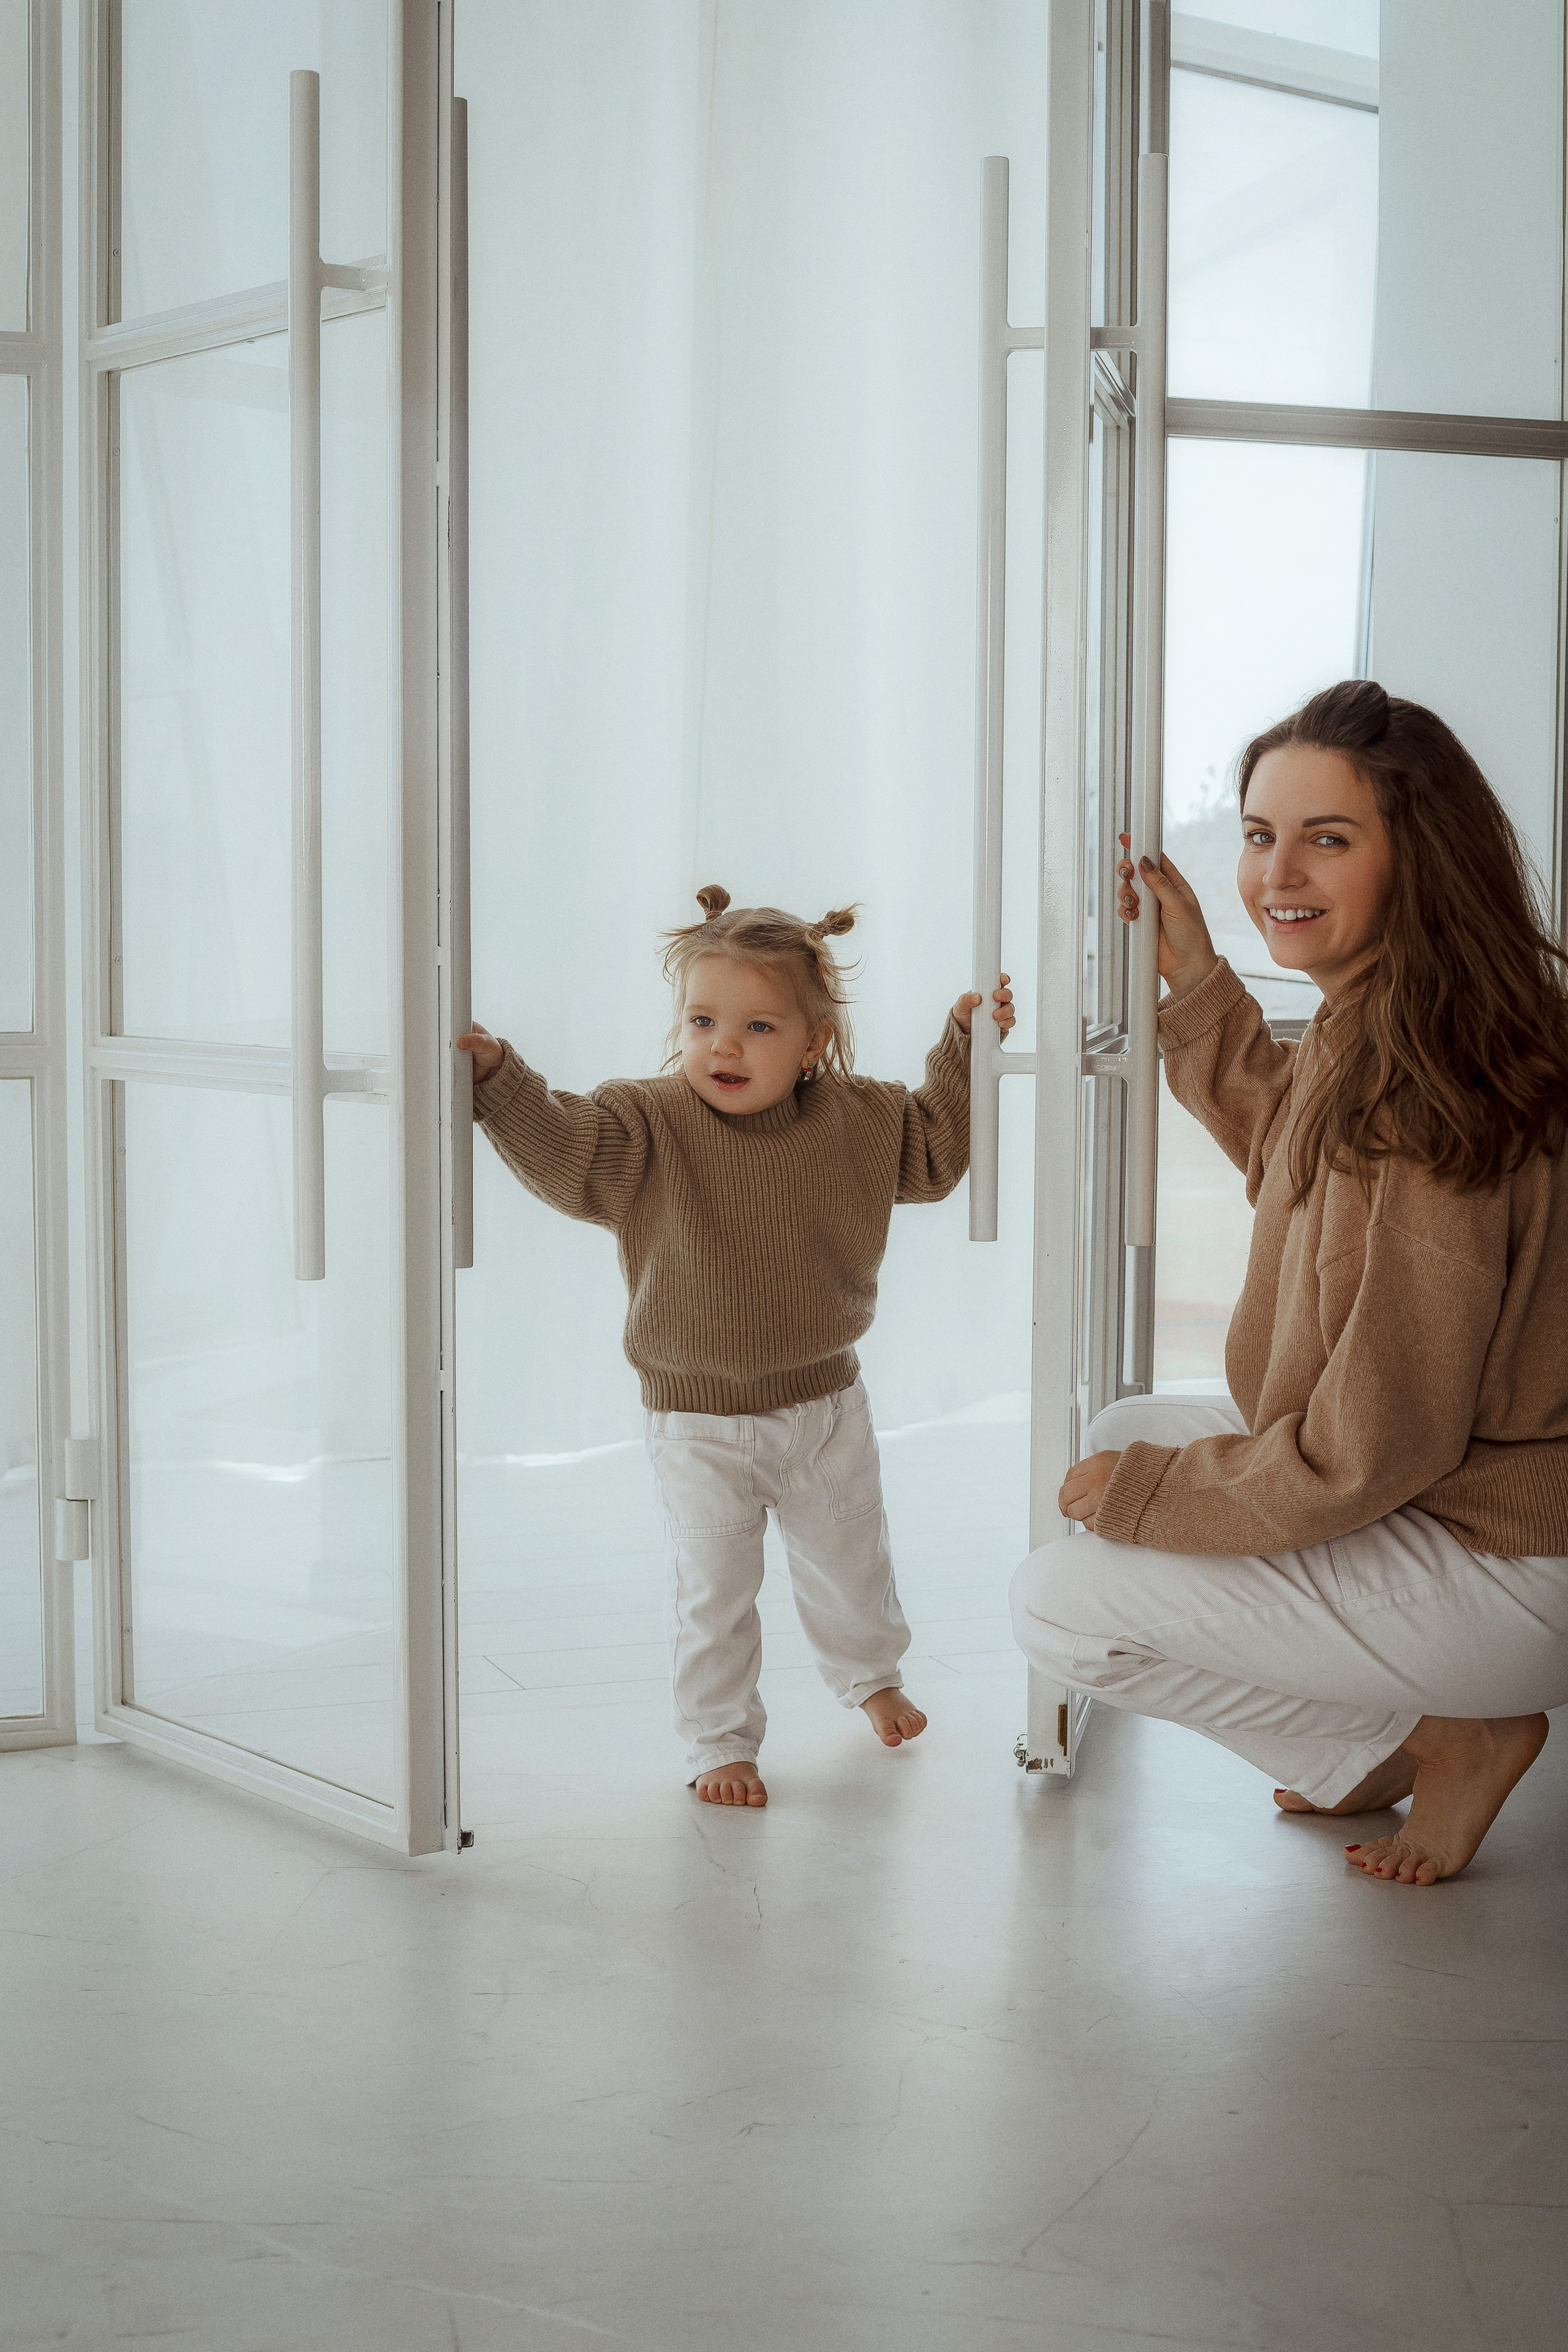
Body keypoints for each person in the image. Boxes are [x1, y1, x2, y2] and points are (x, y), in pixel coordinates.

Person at [1010, 680, 1568, 1885]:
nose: (1278, 873)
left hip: (1507, 1554)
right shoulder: (1399, 1019)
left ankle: (1452, 1732)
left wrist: (1151, 1498)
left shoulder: (1425, 1089)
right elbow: (1307, 1163)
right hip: (1468, 1497)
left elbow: (1374, 1448)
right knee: (1118, 1435)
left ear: (1418, 857)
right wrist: (1199, 982)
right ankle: (1386, 1740)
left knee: (1058, 1602)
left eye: (1328, 838)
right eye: (1261, 834)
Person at [460, 888, 1014, 1809]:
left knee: (852, 1560)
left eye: (759, 1027)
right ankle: (720, 1739)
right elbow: (568, 1151)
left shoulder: (858, 1120)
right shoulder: (647, 1122)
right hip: (699, 1422)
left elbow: (935, 1151)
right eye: (703, 1021)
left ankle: (870, 1676)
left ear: (815, 1043)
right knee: (715, 1593)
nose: (725, 1046)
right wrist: (499, 1083)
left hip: (825, 1405)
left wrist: (966, 1046)